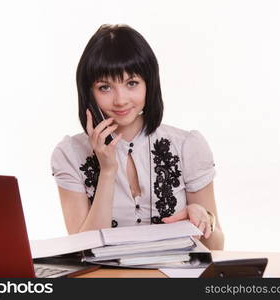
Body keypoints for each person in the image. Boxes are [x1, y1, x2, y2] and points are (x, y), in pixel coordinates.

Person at [51, 24, 224, 250]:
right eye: (105, 87)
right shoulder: (70, 154)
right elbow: (82, 251)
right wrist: (108, 171)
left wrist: (203, 218)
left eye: (131, 83)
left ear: (148, 84)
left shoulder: (187, 146)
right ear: (88, 92)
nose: (120, 100)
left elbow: (217, 247)